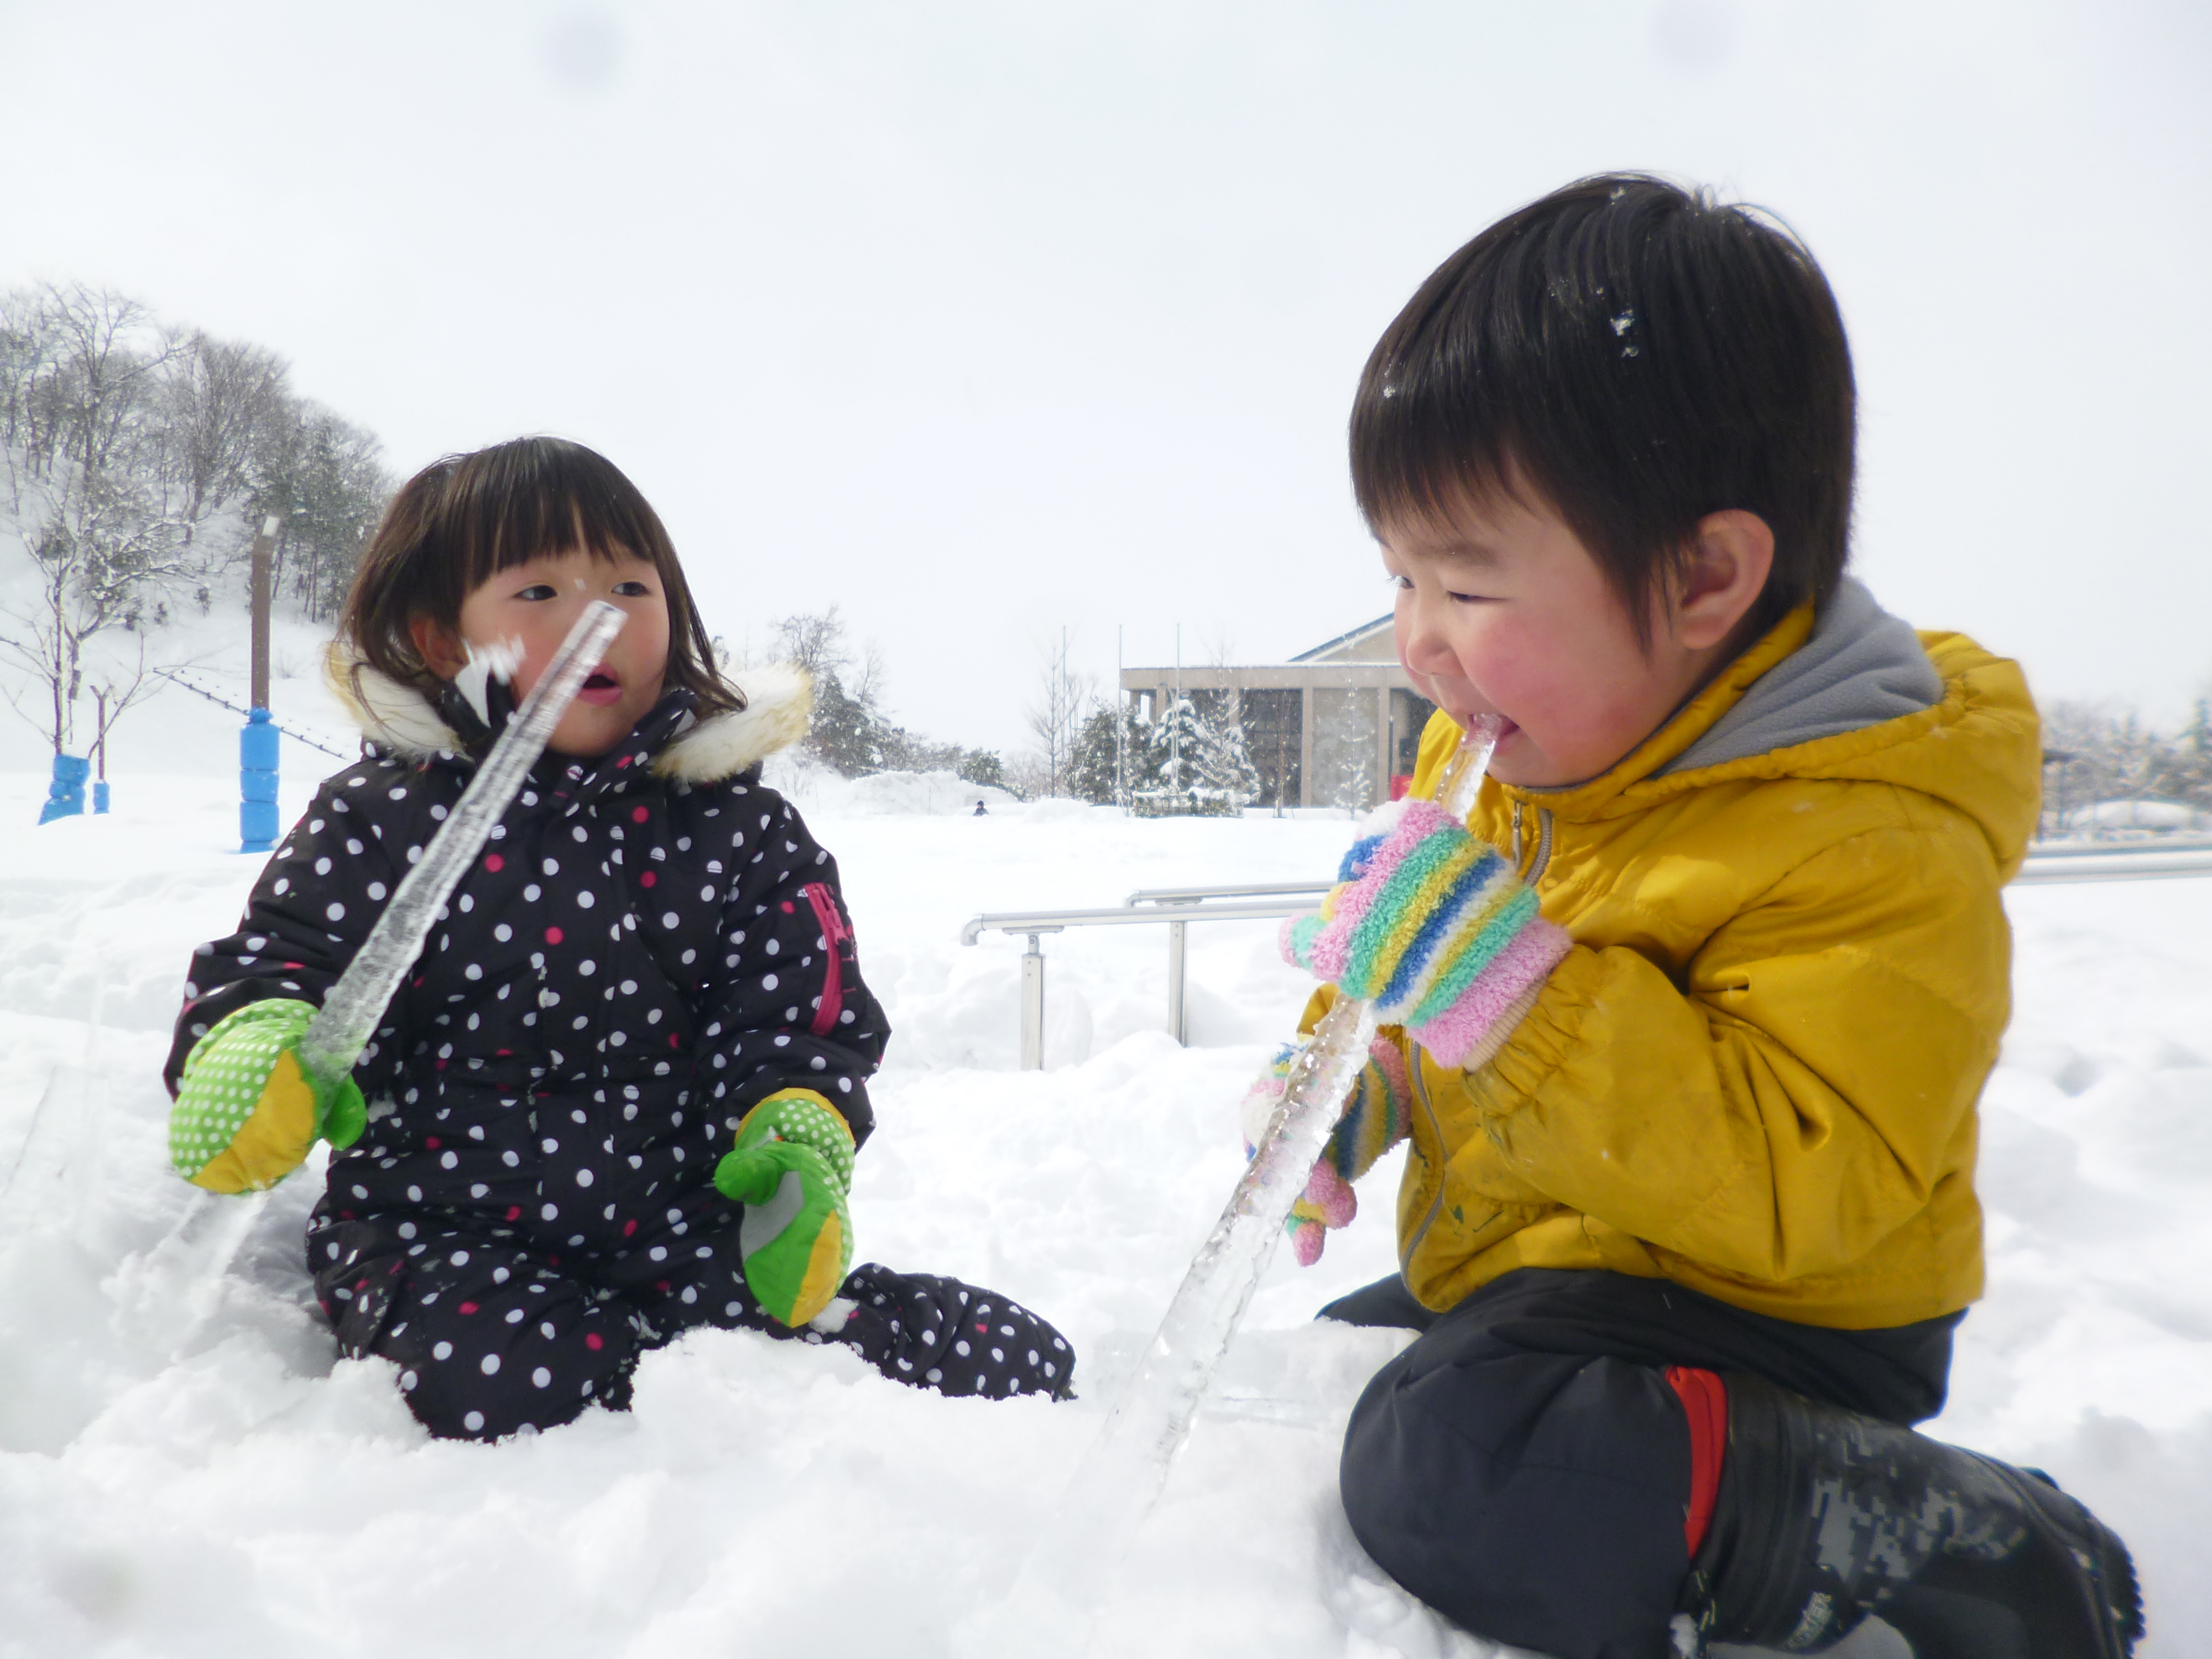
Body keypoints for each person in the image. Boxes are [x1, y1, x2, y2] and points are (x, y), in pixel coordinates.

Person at [1265, 178, 2141, 1657]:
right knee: (1354, 1388)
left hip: (1777, 1320)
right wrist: (1352, 1090)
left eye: (1467, 580)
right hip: (1572, 1265)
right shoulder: (1516, 760)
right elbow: (1425, 1000)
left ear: (1704, 579)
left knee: (1451, 1459)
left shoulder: (1864, 829)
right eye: (1400, 573)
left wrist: (1519, 1000)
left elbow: (1817, 1177)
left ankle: (1964, 1540)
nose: (1418, 638)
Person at [164, 436, 1072, 1439]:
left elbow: (794, 1016)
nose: (598, 622)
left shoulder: (738, 830)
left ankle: (826, 1338)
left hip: (676, 1220)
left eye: (631, 588)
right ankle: (687, 1381)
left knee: (887, 1345)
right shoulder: (384, 815)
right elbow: (285, 959)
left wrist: (795, 1126)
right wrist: (259, 1046)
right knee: (492, 1374)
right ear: (441, 640)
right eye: (541, 592)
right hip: (439, 1229)